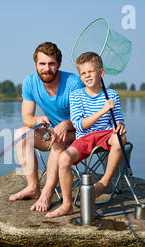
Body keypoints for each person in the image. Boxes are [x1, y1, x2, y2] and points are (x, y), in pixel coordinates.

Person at [46, 51, 126, 218]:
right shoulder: (76, 96)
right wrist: (102, 110)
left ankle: (104, 182)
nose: (86, 76)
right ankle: (67, 205)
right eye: (83, 73)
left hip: (106, 134)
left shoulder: (112, 95)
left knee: (120, 139)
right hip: (85, 136)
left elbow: (118, 119)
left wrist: (120, 126)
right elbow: (79, 124)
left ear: (101, 73)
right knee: (64, 158)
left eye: (90, 71)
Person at [9, 42, 84, 212]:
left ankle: (47, 193)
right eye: (42, 64)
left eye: (51, 64)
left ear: (58, 64)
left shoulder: (74, 83)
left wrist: (65, 124)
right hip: (52, 131)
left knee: (59, 139)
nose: (46, 68)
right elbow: (27, 118)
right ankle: (33, 187)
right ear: (35, 64)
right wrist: (37, 120)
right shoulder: (30, 82)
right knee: (21, 133)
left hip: (78, 132)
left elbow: (85, 118)